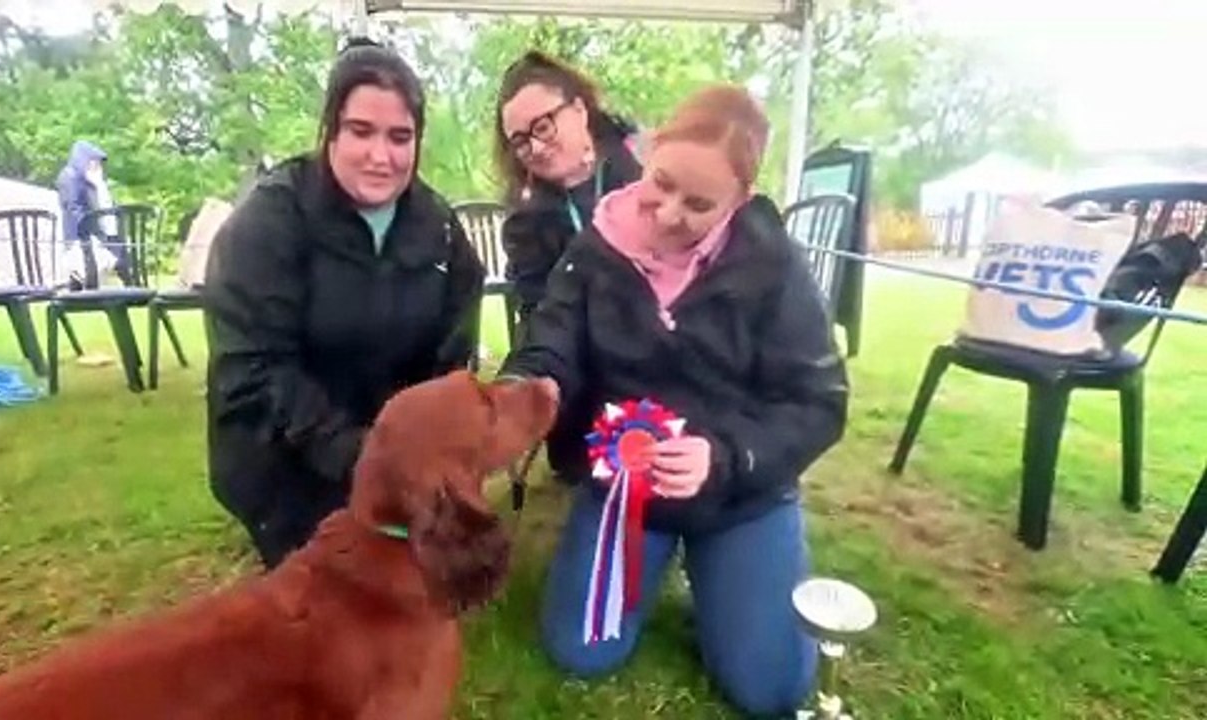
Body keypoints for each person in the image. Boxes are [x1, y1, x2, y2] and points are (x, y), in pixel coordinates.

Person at [499, 84, 849, 716]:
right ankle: (678, 569)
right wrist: (533, 387)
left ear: (741, 199)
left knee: (769, 692)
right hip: (624, 492)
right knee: (580, 653)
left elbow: (819, 401)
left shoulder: (774, 265)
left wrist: (724, 457)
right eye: (661, 183)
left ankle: (733, 575)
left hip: (741, 495)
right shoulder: (595, 247)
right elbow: (549, 340)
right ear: (649, 149)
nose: (665, 214)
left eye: (699, 203)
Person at [201, 38, 486, 569]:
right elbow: (257, 370)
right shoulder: (268, 223)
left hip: (396, 456)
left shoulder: (441, 229)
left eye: (400, 137)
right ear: (330, 129)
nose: (381, 156)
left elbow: (452, 361)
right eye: (361, 131)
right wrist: (358, 456)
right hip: (288, 459)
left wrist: (433, 457)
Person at [495, 50, 644, 482]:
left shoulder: (648, 175)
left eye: (542, 126)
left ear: (579, 108)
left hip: (660, 374)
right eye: (520, 140)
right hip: (580, 388)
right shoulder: (525, 222)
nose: (535, 147)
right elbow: (539, 318)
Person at [55, 140, 122, 289]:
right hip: (80, 236)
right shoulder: (70, 177)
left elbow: (108, 206)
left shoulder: (93, 181)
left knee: (112, 261)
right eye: (93, 162)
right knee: (87, 271)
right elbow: (74, 209)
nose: (96, 166)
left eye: (98, 163)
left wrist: (100, 186)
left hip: (98, 235)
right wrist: (94, 231)